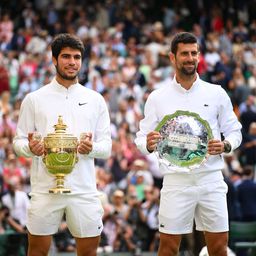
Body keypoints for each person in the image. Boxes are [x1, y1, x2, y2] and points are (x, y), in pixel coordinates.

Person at [135, 32, 242, 256]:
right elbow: (141, 137)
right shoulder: (157, 97)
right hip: (176, 181)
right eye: (184, 53)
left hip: (211, 179)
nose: (190, 58)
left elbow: (235, 131)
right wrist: (148, 143)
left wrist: (226, 145)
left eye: (194, 53)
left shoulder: (217, 93)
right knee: (168, 247)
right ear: (172, 58)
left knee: (219, 247)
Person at [13, 33, 112, 256]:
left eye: (77, 57)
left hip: (84, 189)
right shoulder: (34, 99)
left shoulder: (95, 99)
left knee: (88, 253)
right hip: (45, 189)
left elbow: (106, 147)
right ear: (54, 59)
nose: (72, 62)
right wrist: (30, 148)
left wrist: (91, 148)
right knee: (37, 251)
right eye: (66, 56)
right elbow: (18, 142)